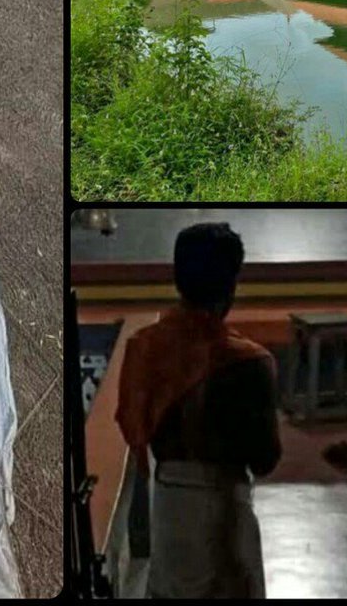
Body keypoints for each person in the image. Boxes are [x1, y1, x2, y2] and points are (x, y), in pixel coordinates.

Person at [116, 223, 280, 599]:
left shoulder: (145, 348)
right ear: (231, 285)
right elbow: (266, 458)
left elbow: (132, 427)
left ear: (177, 279)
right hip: (228, 510)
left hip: (170, 508)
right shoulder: (252, 363)